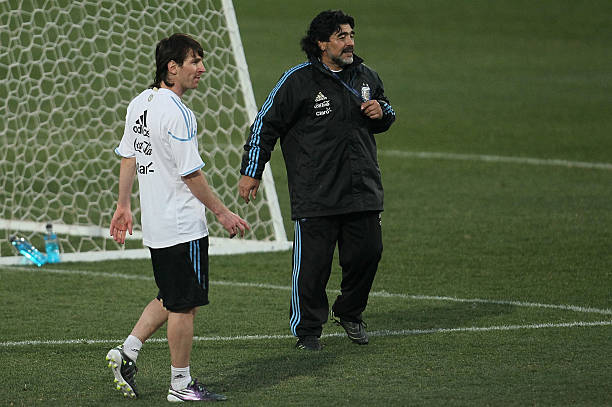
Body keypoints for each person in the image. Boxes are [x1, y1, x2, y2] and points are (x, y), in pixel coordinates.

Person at [238, 10, 396, 351]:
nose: (350, 42)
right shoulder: (297, 81)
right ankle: (308, 331)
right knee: (312, 269)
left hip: (362, 188)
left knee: (368, 254)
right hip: (316, 193)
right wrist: (252, 170)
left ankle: (350, 312)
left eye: (351, 35)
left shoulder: (366, 76)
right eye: (341, 36)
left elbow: (387, 111)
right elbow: (265, 125)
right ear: (322, 43)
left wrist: (382, 111)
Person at [107, 33, 249, 402]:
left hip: (157, 225)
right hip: (182, 226)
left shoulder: (139, 103)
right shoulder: (179, 113)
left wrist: (123, 205)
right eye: (194, 62)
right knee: (184, 304)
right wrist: (222, 213)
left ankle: (127, 352)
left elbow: (128, 156)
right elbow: (191, 174)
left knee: (170, 295)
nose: (202, 68)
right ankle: (180, 385)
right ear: (172, 67)